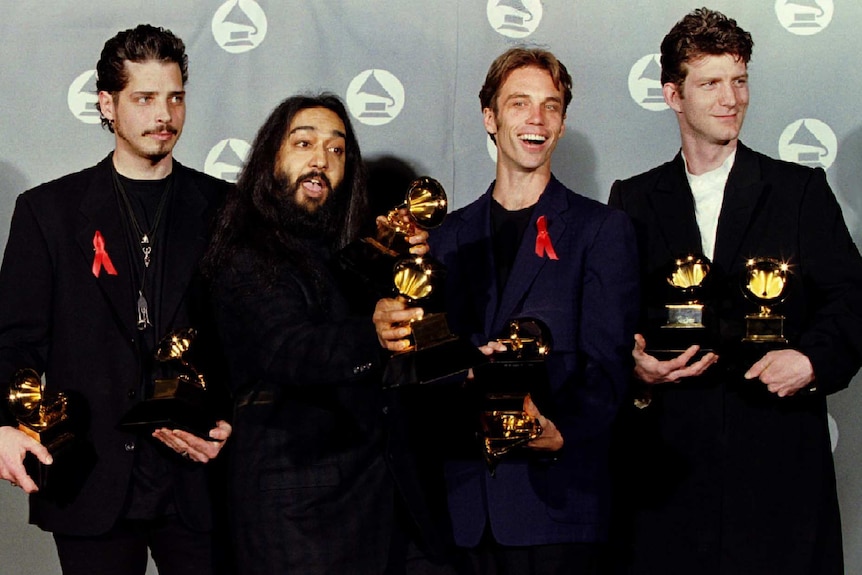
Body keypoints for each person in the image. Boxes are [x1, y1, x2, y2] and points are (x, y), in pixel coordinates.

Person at [607, 8, 862, 574]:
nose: (732, 98)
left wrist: (811, 359)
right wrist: (635, 365)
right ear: (674, 95)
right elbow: (612, 322)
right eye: (711, 83)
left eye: (739, 80)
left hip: (778, 462)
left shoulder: (798, 190)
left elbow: (852, 300)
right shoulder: (634, 199)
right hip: (671, 470)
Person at [377, 47, 640, 574]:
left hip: (557, 506)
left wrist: (561, 427)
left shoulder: (600, 230)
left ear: (562, 124)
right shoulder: (444, 241)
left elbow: (609, 363)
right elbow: (421, 366)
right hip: (463, 510)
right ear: (490, 118)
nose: (536, 119)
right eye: (519, 103)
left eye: (551, 106)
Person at [0, 24, 233, 575]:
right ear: (107, 104)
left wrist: (235, 421)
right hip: (88, 472)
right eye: (145, 98)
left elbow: (247, 334)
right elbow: (14, 340)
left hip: (197, 475)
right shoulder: (48, 212)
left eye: (175, 97)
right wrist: (6, 423)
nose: (165, 115)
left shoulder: (225, 207)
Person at [201, 93, 455, 575]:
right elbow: (289, 349)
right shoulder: (247, 252)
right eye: (304, 143)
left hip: (388, 504)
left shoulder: (353, 252)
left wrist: (410, 267)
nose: (321, 160)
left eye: (337, 150)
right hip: (297, 514)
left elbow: (422, 345)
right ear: (270, 159)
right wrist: (373, 335)